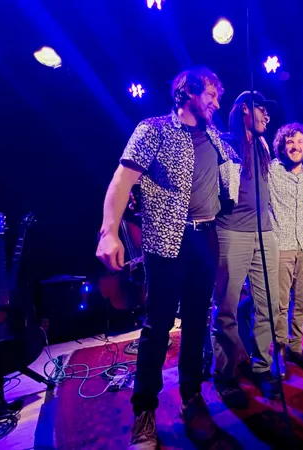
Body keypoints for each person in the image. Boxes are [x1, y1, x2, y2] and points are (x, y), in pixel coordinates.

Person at [96, 66, 238, 449]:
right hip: (167, 240)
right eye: (211, 94)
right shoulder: (154, 129)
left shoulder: (218, 139)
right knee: (157, 327)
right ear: (189, 91)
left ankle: (192, 399)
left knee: (196, 323)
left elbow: (238, 183)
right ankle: (144, 411)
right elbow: (122, 180)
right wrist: (109, 231)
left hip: (207, 238)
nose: (217, 102)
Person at [211, 91, 281, 407]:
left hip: (265, 233)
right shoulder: (225, 143)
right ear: (243, 111)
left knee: (269, 305)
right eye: (261, 109)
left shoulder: (264, 146)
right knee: (226, 307)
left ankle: (262, 366)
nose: (267, 115)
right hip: (231, 232)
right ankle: (225, 374)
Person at [268, 123, 303, 377]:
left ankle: (295, 348)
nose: (295, 146)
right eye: (289, 142)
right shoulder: (271, 170)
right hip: (280, 246)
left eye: (299, 142)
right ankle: (278, 351)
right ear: (282, 146)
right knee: (280, 304)